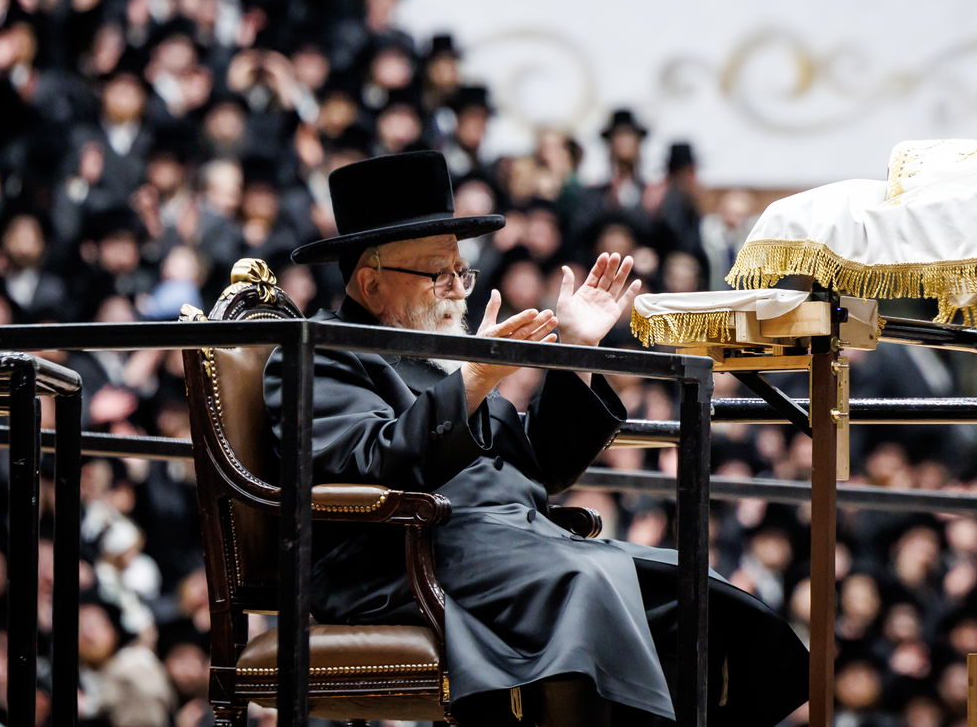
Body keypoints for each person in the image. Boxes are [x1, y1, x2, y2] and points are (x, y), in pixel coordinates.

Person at [264, 150, 806, 726]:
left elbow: (538, 468)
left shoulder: (438, 348)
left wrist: (575, 355)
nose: (456, 288)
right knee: (590, 585)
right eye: (437, 272)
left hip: (508, 545)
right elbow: (370, 464)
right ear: (371, 283)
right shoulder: (319, 350)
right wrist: (472, 382)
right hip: (399, 557)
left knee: (691, 587)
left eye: (460, 271)